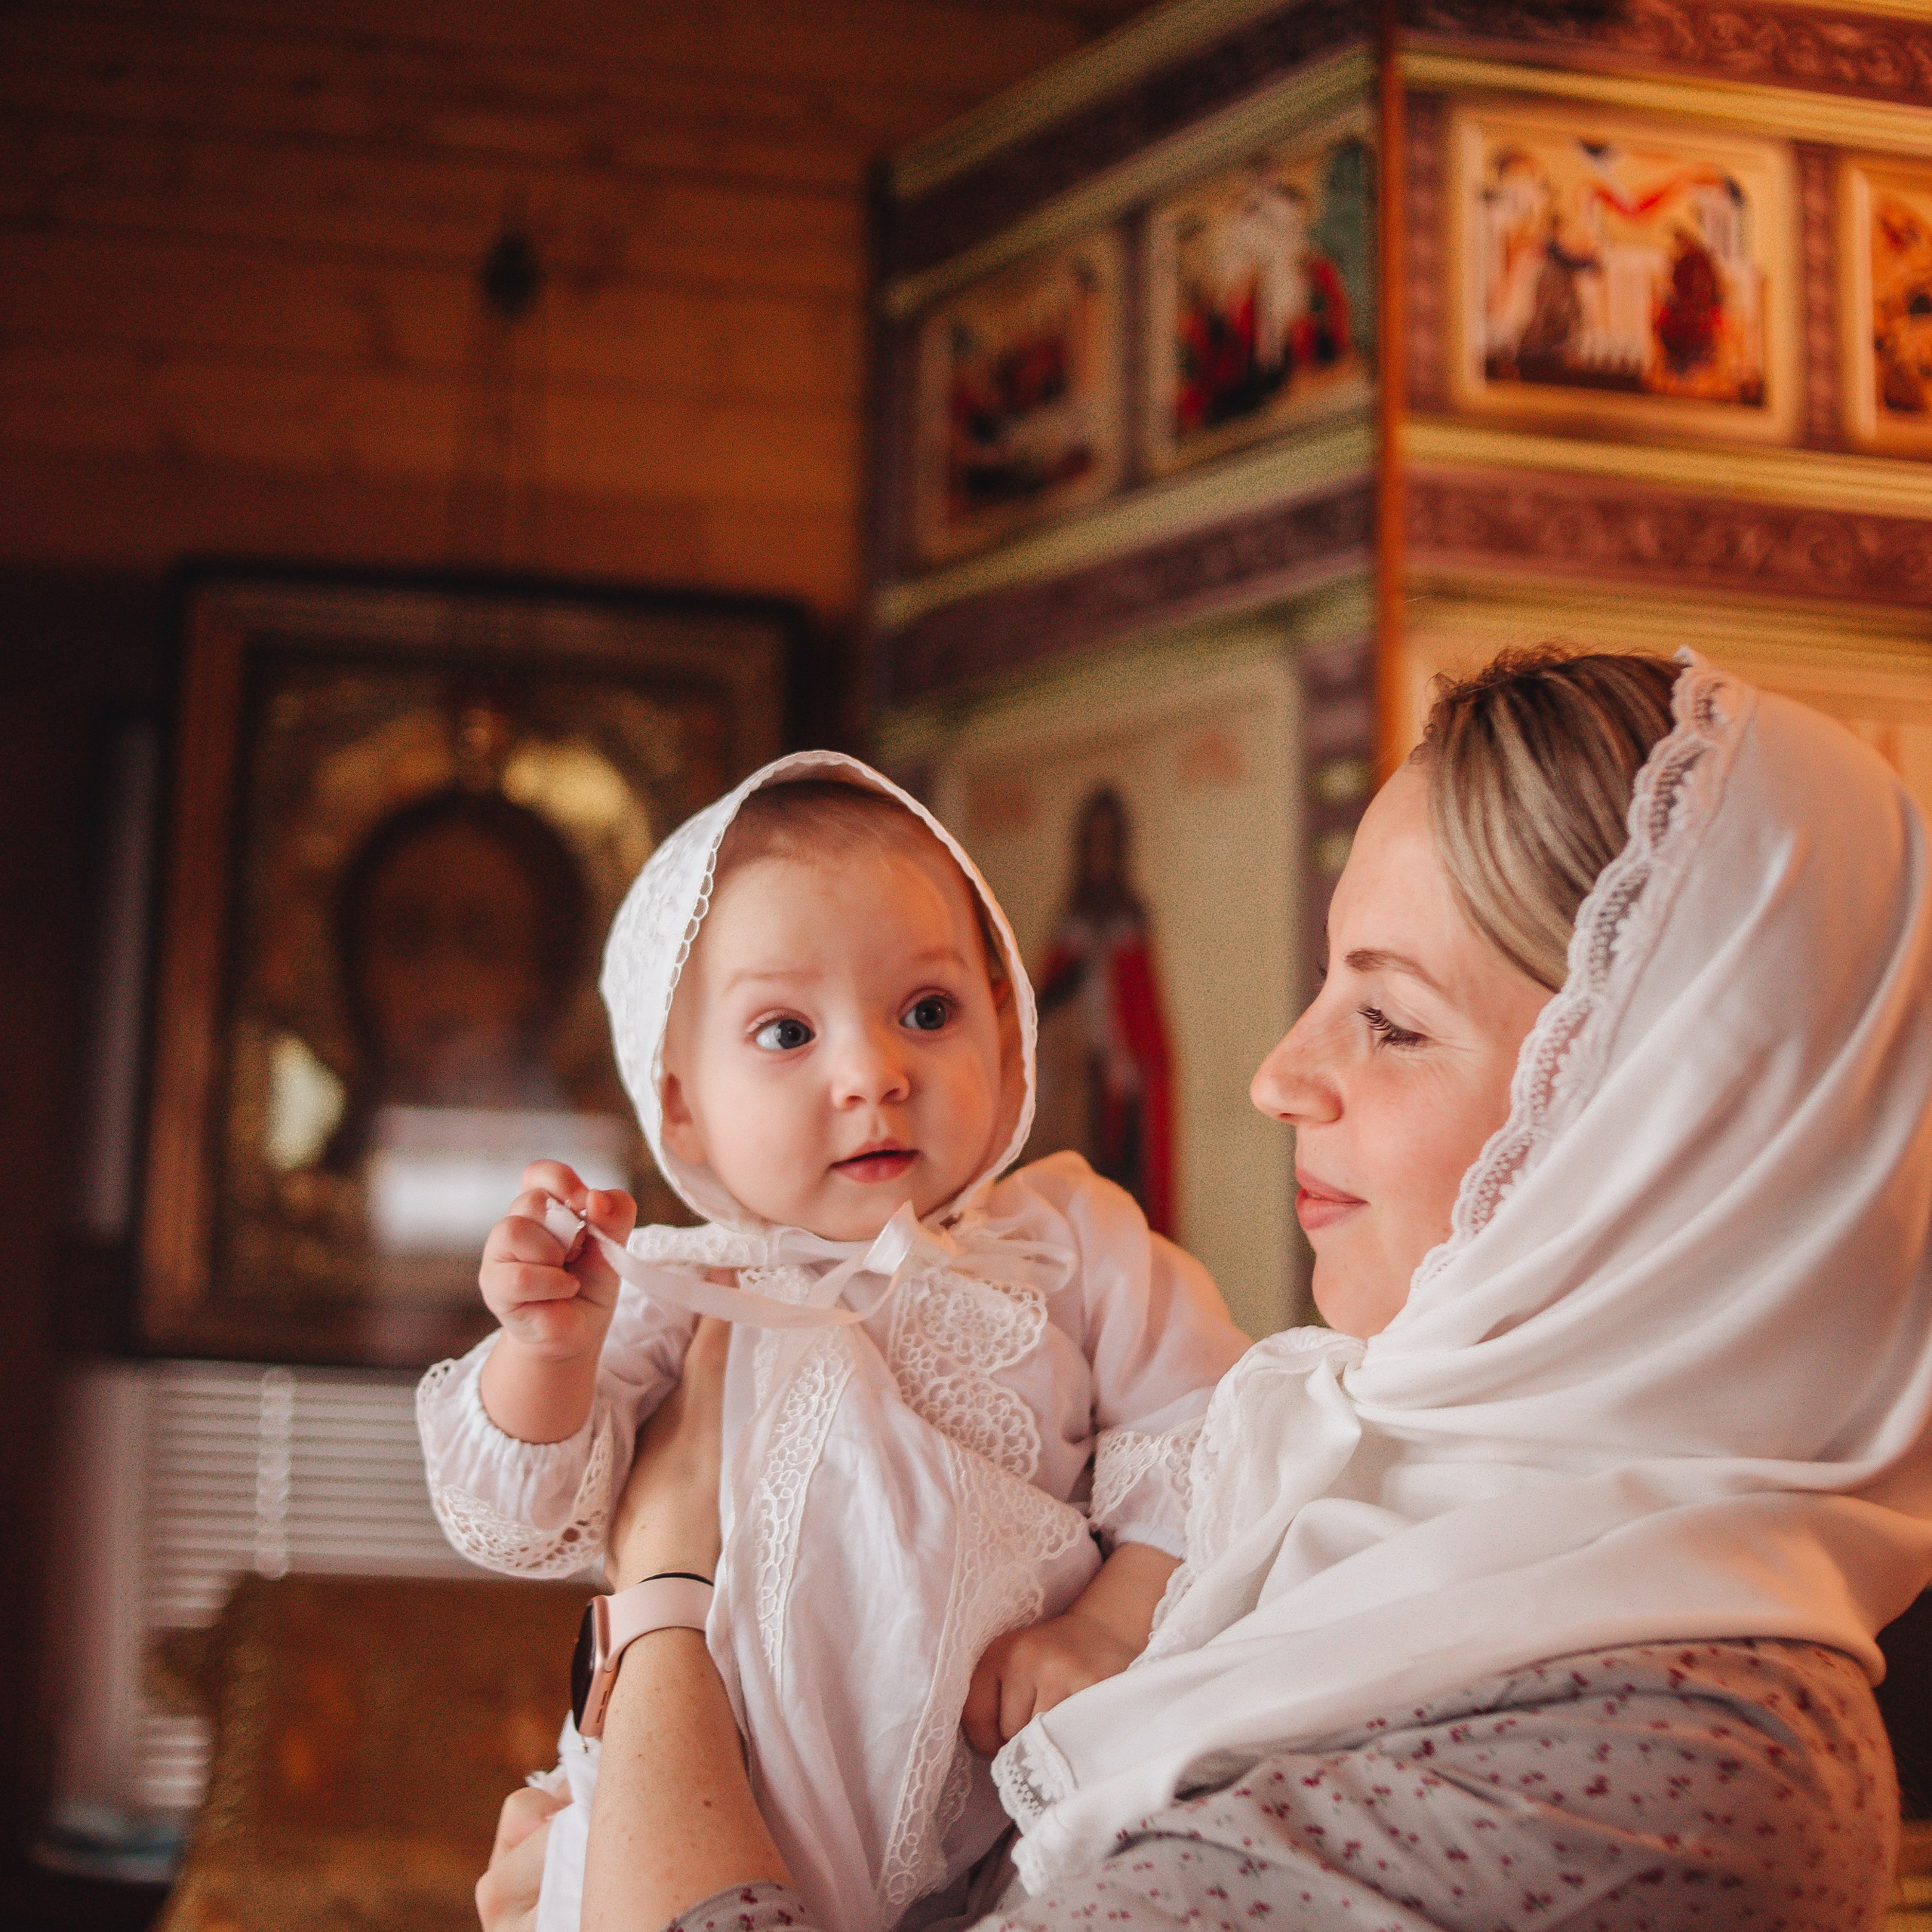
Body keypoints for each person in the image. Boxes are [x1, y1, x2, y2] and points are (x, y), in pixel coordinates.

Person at [478, 649, 1932, 1932]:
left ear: (1669, 1123)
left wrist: (662, 1621)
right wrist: (627, 1843)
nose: (1276, 1077)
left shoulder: (1681, 1765)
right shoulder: (1328, 1484)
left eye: (1390, 1020)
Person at [417, 754, 1250, 1932]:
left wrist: (1110, 1621)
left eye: (928, 1011)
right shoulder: (682, 1283)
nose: (873, 1073)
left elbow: (1218, 1440)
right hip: (693, 1804)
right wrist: (547, 1350)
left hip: (1007, 1817)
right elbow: (522, 1510)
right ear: (682, 1101)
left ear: (1010, 1030)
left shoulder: (1072, 1241)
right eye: (787, 1030)